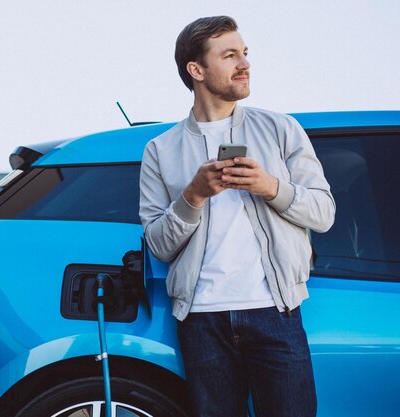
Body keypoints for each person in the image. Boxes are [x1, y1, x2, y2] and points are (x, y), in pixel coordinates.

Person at [139, 16, 335, 417]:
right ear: (196, 70)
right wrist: (192, 197)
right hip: (201, 320)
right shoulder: (160, 149)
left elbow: (324, 212)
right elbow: (158, 244)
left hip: (276, 311)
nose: (244, 64)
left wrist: (270, 187)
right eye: (229, 55)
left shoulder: (281, 129)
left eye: (245, 54)